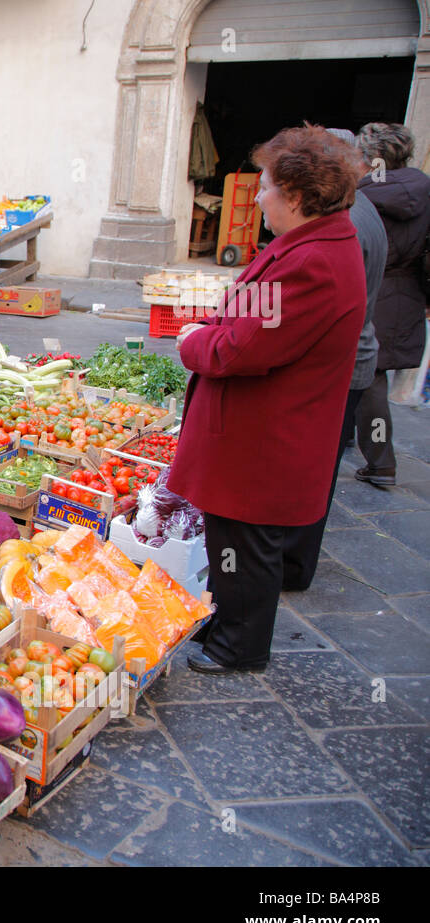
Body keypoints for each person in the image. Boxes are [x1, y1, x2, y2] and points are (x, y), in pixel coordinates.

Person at [167, 125, 367, 675]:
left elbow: (244, 348)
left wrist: (194, 341)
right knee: (235, 535)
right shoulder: (308, 244)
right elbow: (249, 311)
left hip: (268, 432)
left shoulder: (313, 261)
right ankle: (228, 621)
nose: (257, 197)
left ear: (297, 196)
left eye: (266, 187)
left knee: (247, 540)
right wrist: (213, 325)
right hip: (262, 424)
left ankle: (241, 646)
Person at [280, 129, 387, 591]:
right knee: (317, 469)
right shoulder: (361, 212)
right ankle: (293, 562)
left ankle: (292, 568)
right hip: (354, 357)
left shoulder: (344, 225)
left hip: (341, 366)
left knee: (310, 473)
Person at [352, 122, 430, 486]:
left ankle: (381, 461)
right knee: (372, 376)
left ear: (370, 160)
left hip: (374, 288)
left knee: (370, 379)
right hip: (406, 291)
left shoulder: (367, 198)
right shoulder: (422, 190)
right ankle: (366, 448)